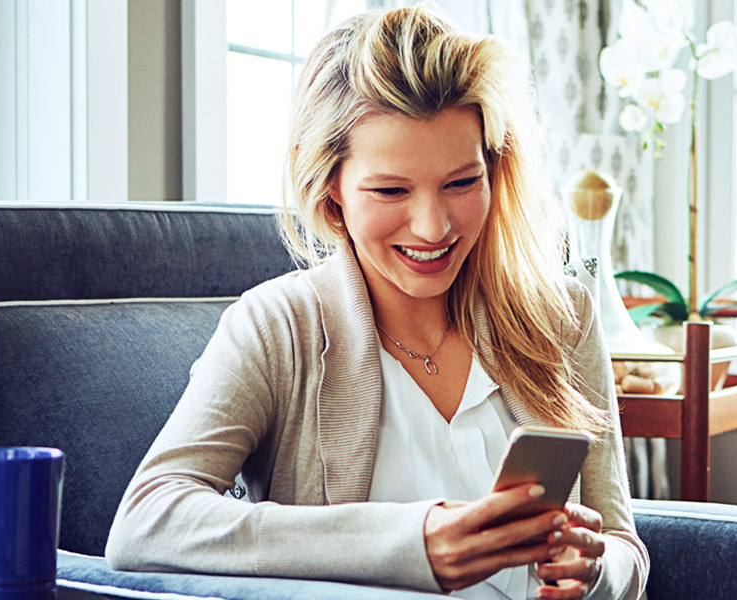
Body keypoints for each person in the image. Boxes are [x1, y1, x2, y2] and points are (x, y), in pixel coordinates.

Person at [104, 4, 648, 599]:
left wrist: (596, 569)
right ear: (330, 188)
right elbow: (146, 523)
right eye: (391, 190)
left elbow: (623, 543)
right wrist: (411, 541)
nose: (433, 226)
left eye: (462, 182)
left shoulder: (561, 320)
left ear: (494, 169)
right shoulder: (278, 327)